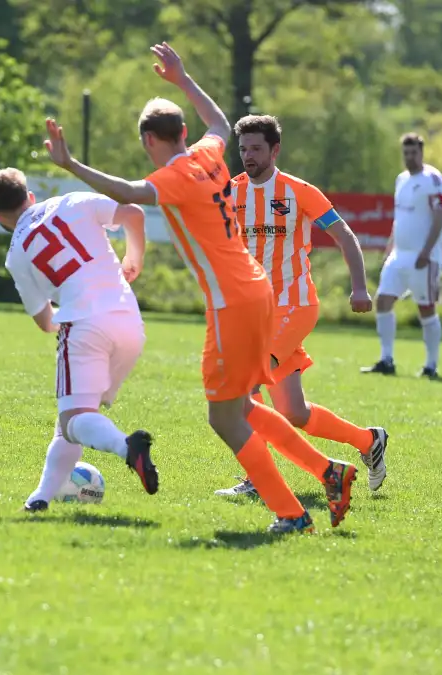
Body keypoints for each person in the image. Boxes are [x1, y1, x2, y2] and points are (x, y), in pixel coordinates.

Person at [40, 42, 358, 534]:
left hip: (231, 303)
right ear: (183, 132)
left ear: (149, 141)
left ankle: (292, 513)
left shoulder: (174, 177)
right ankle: (329, 472)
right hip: (257, 291)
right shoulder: (210, 152)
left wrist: (70, 164)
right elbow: (218, 120)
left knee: (224, 418)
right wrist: (183, 79)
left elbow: (127, 193)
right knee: (244, 407)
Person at [214, 114, 390, 499]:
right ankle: (368, 441)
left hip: (295, 305)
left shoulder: (298, 191)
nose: (248, 156)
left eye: (256, 148)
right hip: (255, 312)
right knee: (294, 412)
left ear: (275, 150)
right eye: (243, 149)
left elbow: (343, 234)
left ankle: (261, 478)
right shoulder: (232, 192)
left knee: (246, 384)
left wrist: (359, 287)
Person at [0, 167, 159, 511]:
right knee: (71, 419)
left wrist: (69, 320)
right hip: (130, 323)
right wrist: (134, 259)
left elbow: (45, 321)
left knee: (74, 420)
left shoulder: (16, 255)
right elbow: (133, 213)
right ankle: (40, 497)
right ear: (29, 196)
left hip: (84, 327)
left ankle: (127, 448)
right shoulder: (72, 201)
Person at [361, 133, 442, 380]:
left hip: (424, 257)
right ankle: (386, 359)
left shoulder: (433, 179)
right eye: (406, 153)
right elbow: (400, 219)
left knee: (426, 309)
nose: (410, 157)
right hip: (400, 256)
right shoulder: (401, 179)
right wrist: (390, 247)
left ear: (422, 153)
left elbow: (440, 218)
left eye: (414, 153)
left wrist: (426, 251)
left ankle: (431, 365)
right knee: (383, 300)